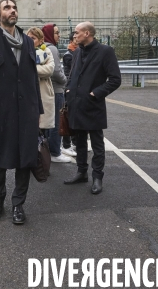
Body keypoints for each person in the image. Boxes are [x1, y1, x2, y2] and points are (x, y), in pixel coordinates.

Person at [0, 0, 43, 225]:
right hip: (1, 113)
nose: (12, 10)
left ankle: (18, 205)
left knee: (25, 159)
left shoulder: (28, 42)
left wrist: (38, 110)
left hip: (27, 112)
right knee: (0, 160)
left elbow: (32, 77)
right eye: (7, 7)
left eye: (14, 7)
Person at [64, 22, 121, 194]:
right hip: (76, 105)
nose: (75, 35)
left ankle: (97, 177)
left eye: (77, 32)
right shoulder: (77, 52)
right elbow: (72, 74)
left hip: (93, 105)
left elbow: (115, 79)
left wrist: (95, 93)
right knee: (79, 142)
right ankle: (81, 172)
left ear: (87, 33)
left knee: (97, 144)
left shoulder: (105, 51)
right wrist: (68, 89)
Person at [41, 24, 71, 161]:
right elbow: (57, 72)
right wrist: (66, 81)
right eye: (56, 33)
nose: (59, 35)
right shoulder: (52, 48)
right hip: (56, 90)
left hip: (47, 89)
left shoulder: (42, 47)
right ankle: (55, 152)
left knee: (48, 122)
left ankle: (49, 151)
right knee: (56, 122)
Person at [61, 32, 78, 157]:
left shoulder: (79, 52)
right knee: (66, 116)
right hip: (69, 88)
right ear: (72, 40)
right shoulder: (69, 55)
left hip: (75, 88)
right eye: (75, 38)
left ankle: (74, 143)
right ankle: (66, 145)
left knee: (74, 116)